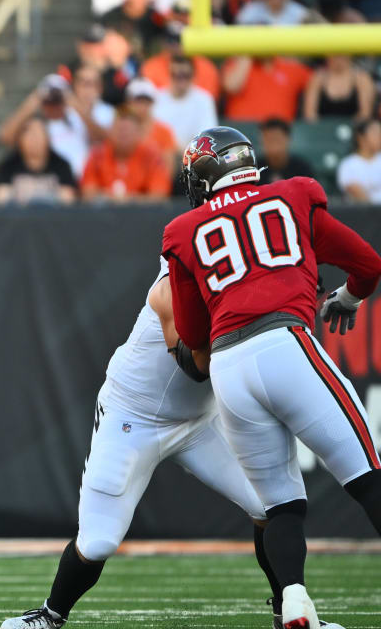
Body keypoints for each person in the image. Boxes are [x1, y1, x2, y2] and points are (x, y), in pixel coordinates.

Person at [163, 127, 381, 629]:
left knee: (280, 505)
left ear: (208, 174)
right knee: (368, 478)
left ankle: (295, 601)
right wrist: (347, 297)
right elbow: (368, 265)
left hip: (228, 367)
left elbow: (194, 332)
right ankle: (295, 603)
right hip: (286, 344)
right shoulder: (295, 196)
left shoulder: (183, 231)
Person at [0, 259, 286, 629]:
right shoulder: (177, 276)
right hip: (132, 416)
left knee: (273, 503)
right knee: (99, 541)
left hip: (200, 421)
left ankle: (290, 612)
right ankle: (51, 614)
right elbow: (196, 366)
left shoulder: (258, 262)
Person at [80, 109, 172, 202]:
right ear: (110, 131)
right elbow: (88, 193)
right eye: (119, 130)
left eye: (127, 131)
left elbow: (159, 195)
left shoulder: (151, 156)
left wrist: (128, 200)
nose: (122, 134)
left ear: (139, 133)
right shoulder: (97, 155)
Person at [0, 116, 77, 205]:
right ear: (20, 139)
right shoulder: (8, 166)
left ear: (47, 138)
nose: (34, 139)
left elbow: (68, 201)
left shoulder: (62, 165)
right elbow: (1, 199)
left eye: (38, 134)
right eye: (29, 134)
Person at [152, 56, 218, 149]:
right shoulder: (157, 97)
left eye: (186, 76)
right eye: (176, 75)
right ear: (170, 75)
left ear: (193, 75)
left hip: (191, 157)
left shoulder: (204, 99)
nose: (181, 80)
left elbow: (206, 137)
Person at [302, 55, 374, 122]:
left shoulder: (362, 78)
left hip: (355, 130)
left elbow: (365, 114)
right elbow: (310, 115)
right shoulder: (317, 79)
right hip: (323, 130)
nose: (338, 57)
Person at [257, 118, 315, 184]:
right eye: (268, 139)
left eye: (277, 139)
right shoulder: (255, 170)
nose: (273, 145)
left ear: (288, 139)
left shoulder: (302, 169)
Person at [337, 117, 381, 202]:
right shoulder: (348, 165)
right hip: (364, 213)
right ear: (361, 137)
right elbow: (357, 194)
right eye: (376, 134)